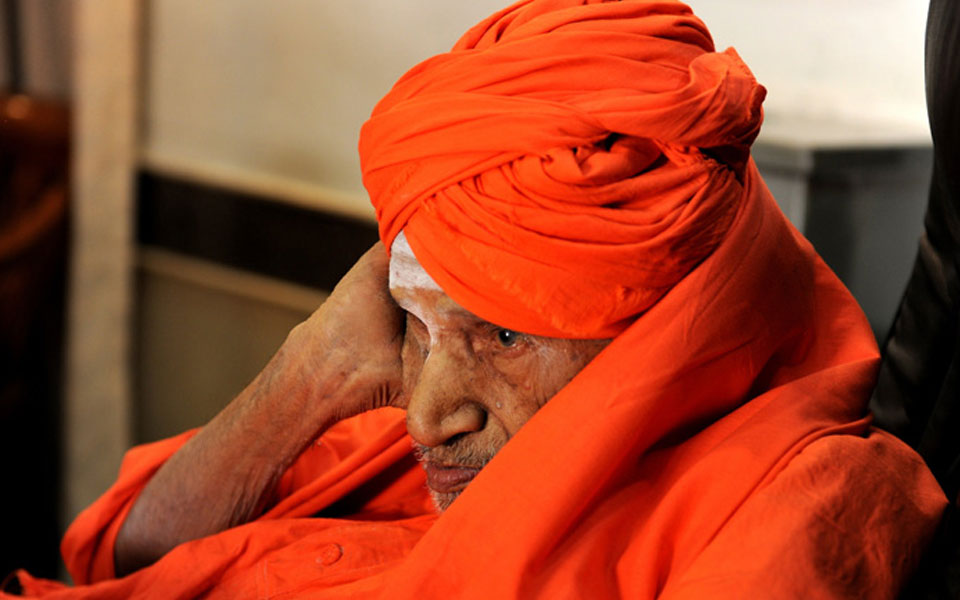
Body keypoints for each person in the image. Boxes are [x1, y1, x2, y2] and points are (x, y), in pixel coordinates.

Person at [4, 1, 948, 598]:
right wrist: (312, 367)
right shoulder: (407, 403)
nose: (426, 415)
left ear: (661, 333)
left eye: (502, 330)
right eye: (417, 321)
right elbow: (114, 558)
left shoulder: (803, 503)